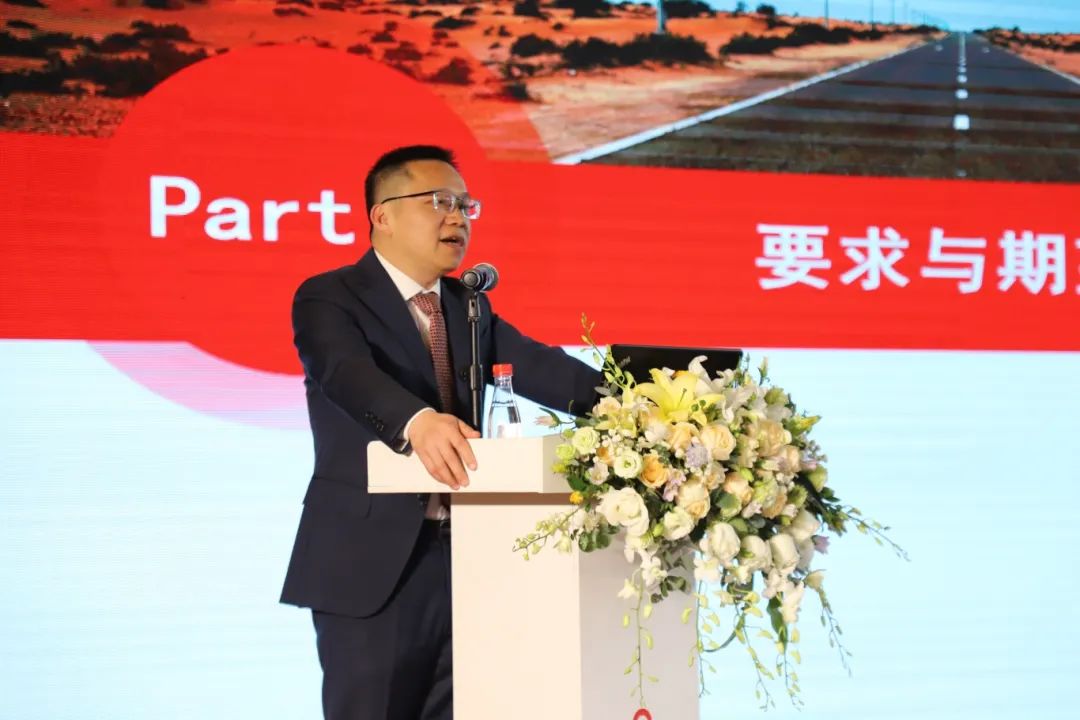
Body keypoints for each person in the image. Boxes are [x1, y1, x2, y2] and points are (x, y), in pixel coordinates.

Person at [279, 144, 601, 720]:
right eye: (440, 202)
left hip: (470, 556)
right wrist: (416, 421)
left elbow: (547, 370)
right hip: (374, 565)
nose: (458, 218)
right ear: (383, 215)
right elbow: (344, 374)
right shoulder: (329, 296)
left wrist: (649, 405)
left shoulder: (467, 307)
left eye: (465, 205)